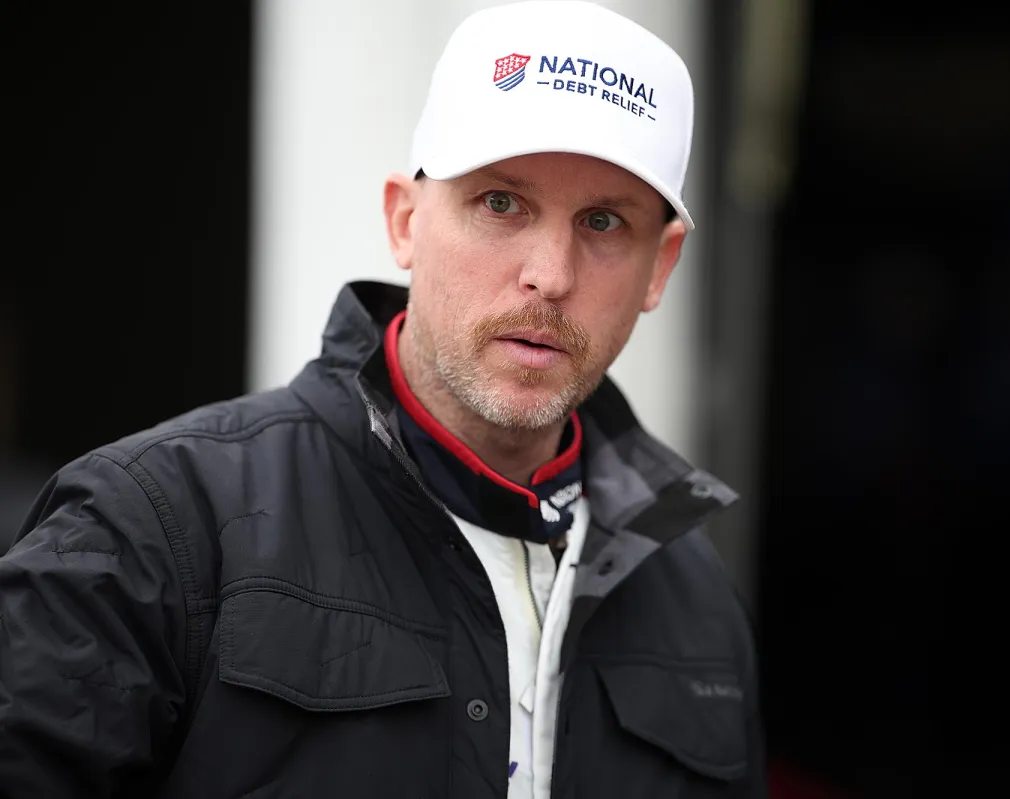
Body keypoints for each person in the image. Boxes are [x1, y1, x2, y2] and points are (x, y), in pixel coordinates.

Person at [0, 2, 764, 796]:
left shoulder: (698, 606)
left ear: (659, 268)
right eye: (501, 203)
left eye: (603, 221)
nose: (551, 275)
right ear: (404, 221)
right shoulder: (149, 529)